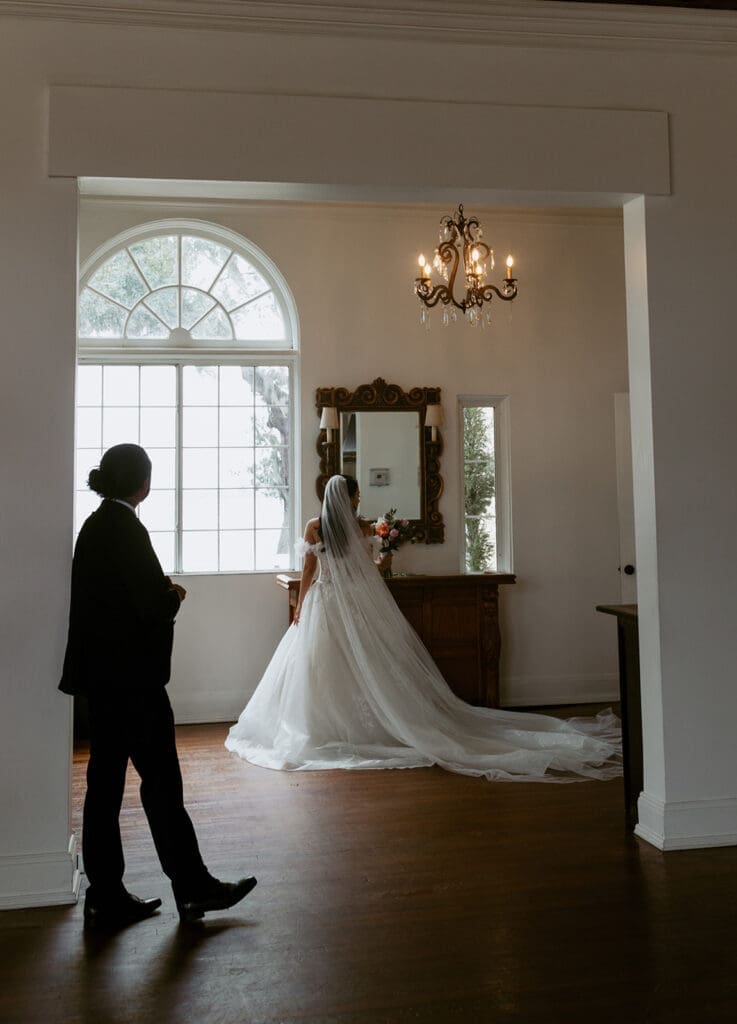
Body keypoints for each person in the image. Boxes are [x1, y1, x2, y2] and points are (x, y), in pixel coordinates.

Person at [226, 474, 622, 781]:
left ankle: (321, 729)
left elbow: (309, 569)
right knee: (362, 665)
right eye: (357, 494)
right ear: (351, 497)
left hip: (323, 603)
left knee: (319, 667)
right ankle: (364, 728)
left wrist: (300, 604)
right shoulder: (362, 528)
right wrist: (382, 560)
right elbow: (370, 573)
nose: (359, 499)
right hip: (350, 604)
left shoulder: (315, 526)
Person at [60, 443, 256, 930]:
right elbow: (149, 604)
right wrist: (173, 594)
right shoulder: (126, 528)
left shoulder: (94, 526)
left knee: (104, 788)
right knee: (162, 785)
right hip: (134, 684)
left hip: (102, 682)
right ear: (142, 483)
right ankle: (192, 889)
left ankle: (104, 894)